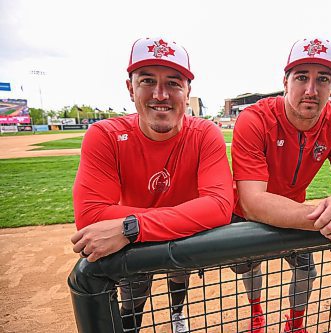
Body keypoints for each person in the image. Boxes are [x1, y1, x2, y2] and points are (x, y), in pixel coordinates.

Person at [70, 37, 234, 333]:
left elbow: (221, 206)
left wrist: (129, 226)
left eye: (173, 83)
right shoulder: (105, 135)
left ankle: (176, 314)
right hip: (157, 237)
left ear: (187, 91)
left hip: (151, 236)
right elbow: (90, 216)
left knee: (178, 278)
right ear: (130, 88)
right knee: (133, 294)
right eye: (147, 81)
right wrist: (182, 217)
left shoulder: (205, 133)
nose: (161, 94)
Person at [231, 37, 331, 333]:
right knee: (250, 266)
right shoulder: (254, 119)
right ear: (285, 82)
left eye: (322, 79)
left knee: (305, 271)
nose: (311, 90)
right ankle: (256, 313)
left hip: (296, 212)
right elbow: (253, 202)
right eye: (302, 77)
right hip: (247, 215)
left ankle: (295, 325)